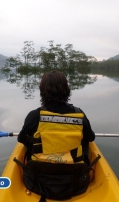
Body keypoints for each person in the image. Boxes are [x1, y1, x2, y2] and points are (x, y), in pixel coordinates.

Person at [16, 70, 96, 201]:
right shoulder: (79, 115)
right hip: (75, 180)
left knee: (30, 141)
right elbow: (91, 138)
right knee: (85, 142)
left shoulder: (34, 116)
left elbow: (21, 139)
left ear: (42, 92)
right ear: (66, 90)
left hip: (37, 180)